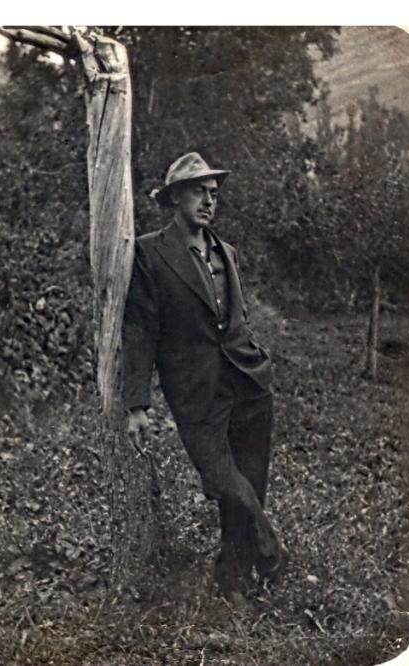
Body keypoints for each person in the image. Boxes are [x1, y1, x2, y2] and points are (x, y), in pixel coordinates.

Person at [122, 152, 287, 603]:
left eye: (213, 193)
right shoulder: (150, 253)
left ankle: (232, 578)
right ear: (176, 196)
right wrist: (137, 404)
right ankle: (269, 545)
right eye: (199, 191)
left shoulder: (226, 253)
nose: (209, 201)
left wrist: (258, 361)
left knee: (250, 481)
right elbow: (140, 330)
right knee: (222, 478)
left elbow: (236, 318)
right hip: (196, 393)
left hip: (249, 383)